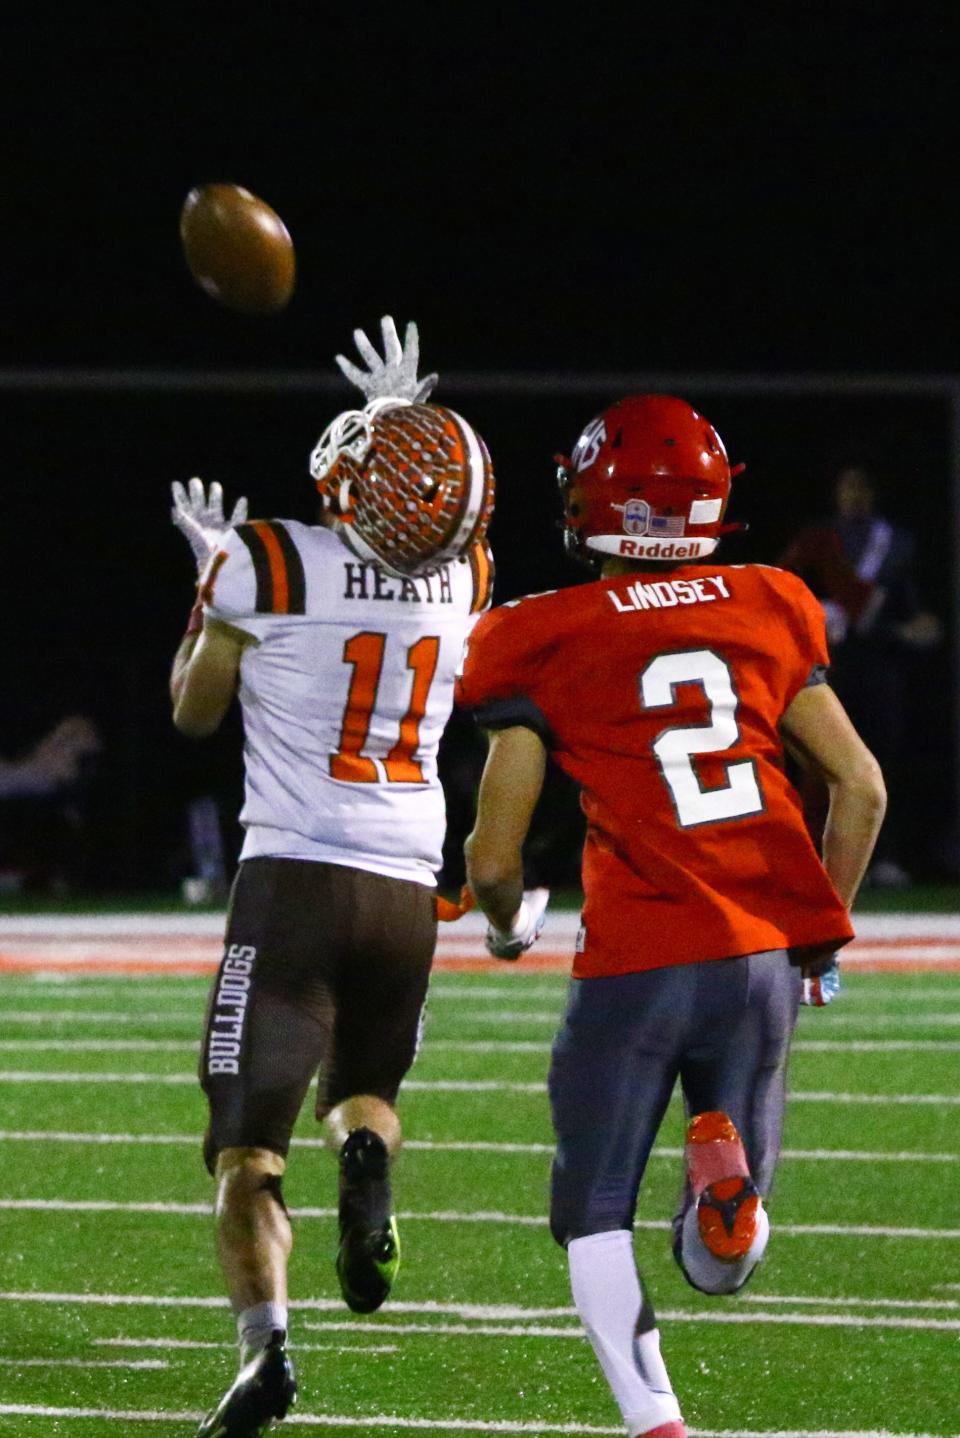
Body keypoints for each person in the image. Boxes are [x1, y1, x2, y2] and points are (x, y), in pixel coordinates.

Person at [456, 395, 886, 1438]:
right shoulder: (770, 599)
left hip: (639, 956)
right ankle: (722, 1199)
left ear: (591, 499)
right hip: (759, 957)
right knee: (719, 1268)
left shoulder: (537, 633)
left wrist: (506, 922)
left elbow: (493, 855)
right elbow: (862, 788)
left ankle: (656, 1422)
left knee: (592, 1216)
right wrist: (816, 938)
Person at [169, 317, 495, 1438]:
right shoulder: (467, 576)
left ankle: (266, 1355)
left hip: (293, 884)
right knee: (368, 1090)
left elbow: (192, 711)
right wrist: (412, 421)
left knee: (246, 1147)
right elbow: (428, 528)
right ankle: (365, 1154)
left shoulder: (263, 556)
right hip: (406, 888)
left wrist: (210, 583)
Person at [778, 462, 940, 886]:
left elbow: (909, 610)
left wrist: (909, 629)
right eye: (848, 486)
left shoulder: (894, 542)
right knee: (815, 763)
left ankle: (881, 857)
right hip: (821, 665)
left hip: (878, 664)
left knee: (876, 762)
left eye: (863, 487)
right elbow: (783, 591)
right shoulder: (818, 539)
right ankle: (808, 851)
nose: (855, 495)